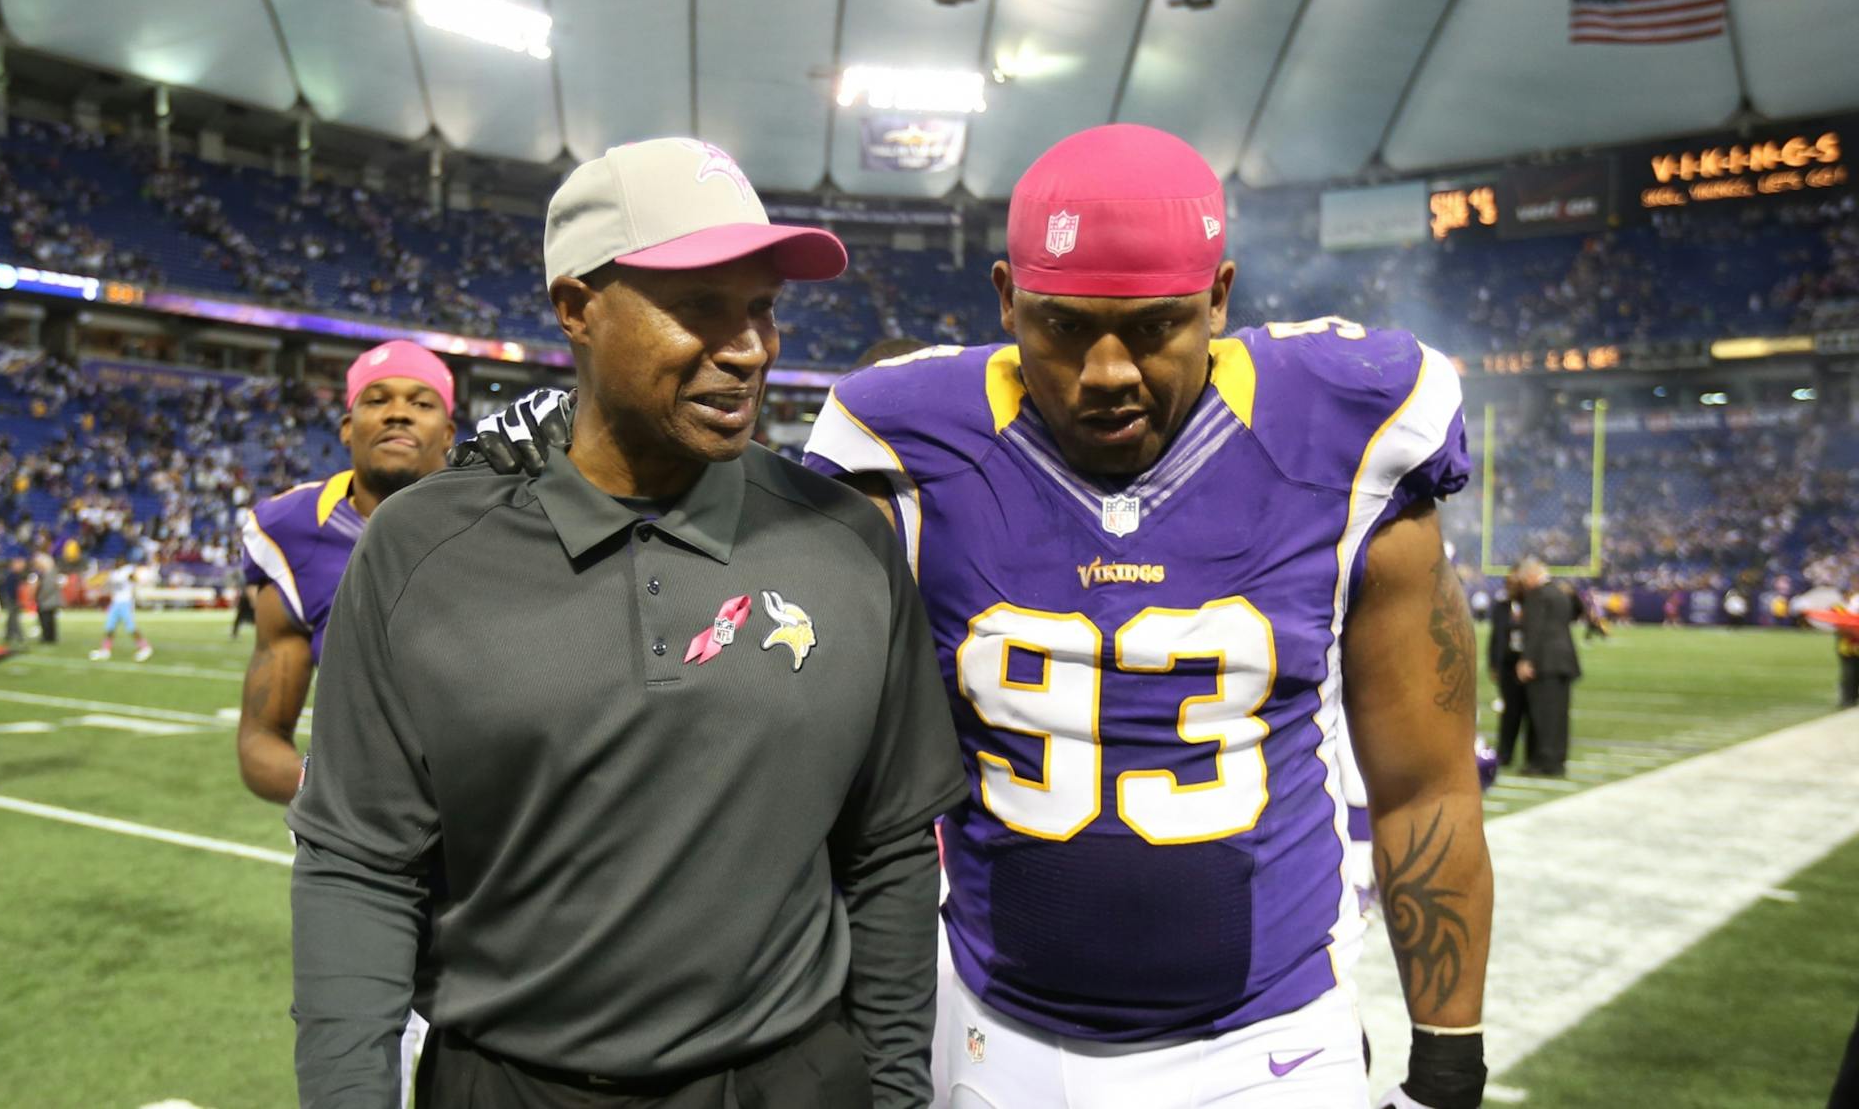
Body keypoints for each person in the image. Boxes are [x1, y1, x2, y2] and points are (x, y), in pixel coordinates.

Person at [463, 125, 1495, 1108]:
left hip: (1265, 1044)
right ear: (1006, 299)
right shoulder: (903, 440)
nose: (1107, 373)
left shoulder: (1346, 428)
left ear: (1217, 299)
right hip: (995, 1033)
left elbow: (1422, 785)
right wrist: (596, 457)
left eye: (1152, 328)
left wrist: (1448, 1056)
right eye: (1063, 326)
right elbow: (732, 587)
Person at [291, 137, 966, 1108]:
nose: (749, 347)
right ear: (577, 308)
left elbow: (891, 847)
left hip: (789, 1077)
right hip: (507, 1082)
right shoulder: (417, 550)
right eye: (700, 307)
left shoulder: (845, 542)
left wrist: (897, 1092)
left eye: (763, 306)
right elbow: (359, 864)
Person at [236, 340, 458, 1104]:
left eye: (420, 400)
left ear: (451, 433)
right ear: (346, 424)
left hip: (502, 851)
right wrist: (333, 787)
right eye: (378, 397)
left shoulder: (504, 515)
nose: (398, 410)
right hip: (375, 866)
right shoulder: (298, 533)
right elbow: (259, 740)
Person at [1514, 557, 1582, 778]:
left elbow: (1535, 630)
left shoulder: (1537, 595)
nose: (1524, 585)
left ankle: (1544, 761)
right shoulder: (1561, 592)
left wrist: (1526, 660)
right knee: (1559, 715)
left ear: (1531, 576)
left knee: (1542, 715)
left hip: (1545, 662)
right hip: (1564, 661)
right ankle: (1558, 760)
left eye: (1525, 580)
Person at [1489, 565, 1532, 769]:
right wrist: (1493, 664)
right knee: (1509, 712)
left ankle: (1533, 755)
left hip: (1527, 663)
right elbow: (1495, 637)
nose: (1512, 585)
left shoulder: (1533, 604)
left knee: (1532, 711)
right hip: (1507, 664)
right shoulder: (1502, 606)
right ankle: (1505, 754)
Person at [90, 560, 152, 661]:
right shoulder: (114, 573)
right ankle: (105, 650)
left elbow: (134, 579)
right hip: (115, 603)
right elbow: (103, 583)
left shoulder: (127, 570)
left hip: (125, 603)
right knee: (110, 627)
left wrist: (135, 579)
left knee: (131, 627)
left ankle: (145, 647)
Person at [33, 553, 62, 645]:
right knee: (49, 620)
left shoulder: (49, 573)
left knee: (46, 620)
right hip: (49, 600)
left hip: (47, 601)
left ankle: (48, 637)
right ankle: (49, 637)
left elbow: (48, 588)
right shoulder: (49, 572)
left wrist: (40, 597)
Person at [1, 557, 29, 646]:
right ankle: (19, 636)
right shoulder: (12, 575)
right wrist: (16, 600)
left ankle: (9, 635)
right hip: (11, 599)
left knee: (11, 618)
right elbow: (11, 590)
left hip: (11, 598)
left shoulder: (14, 575)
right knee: (14, 618)